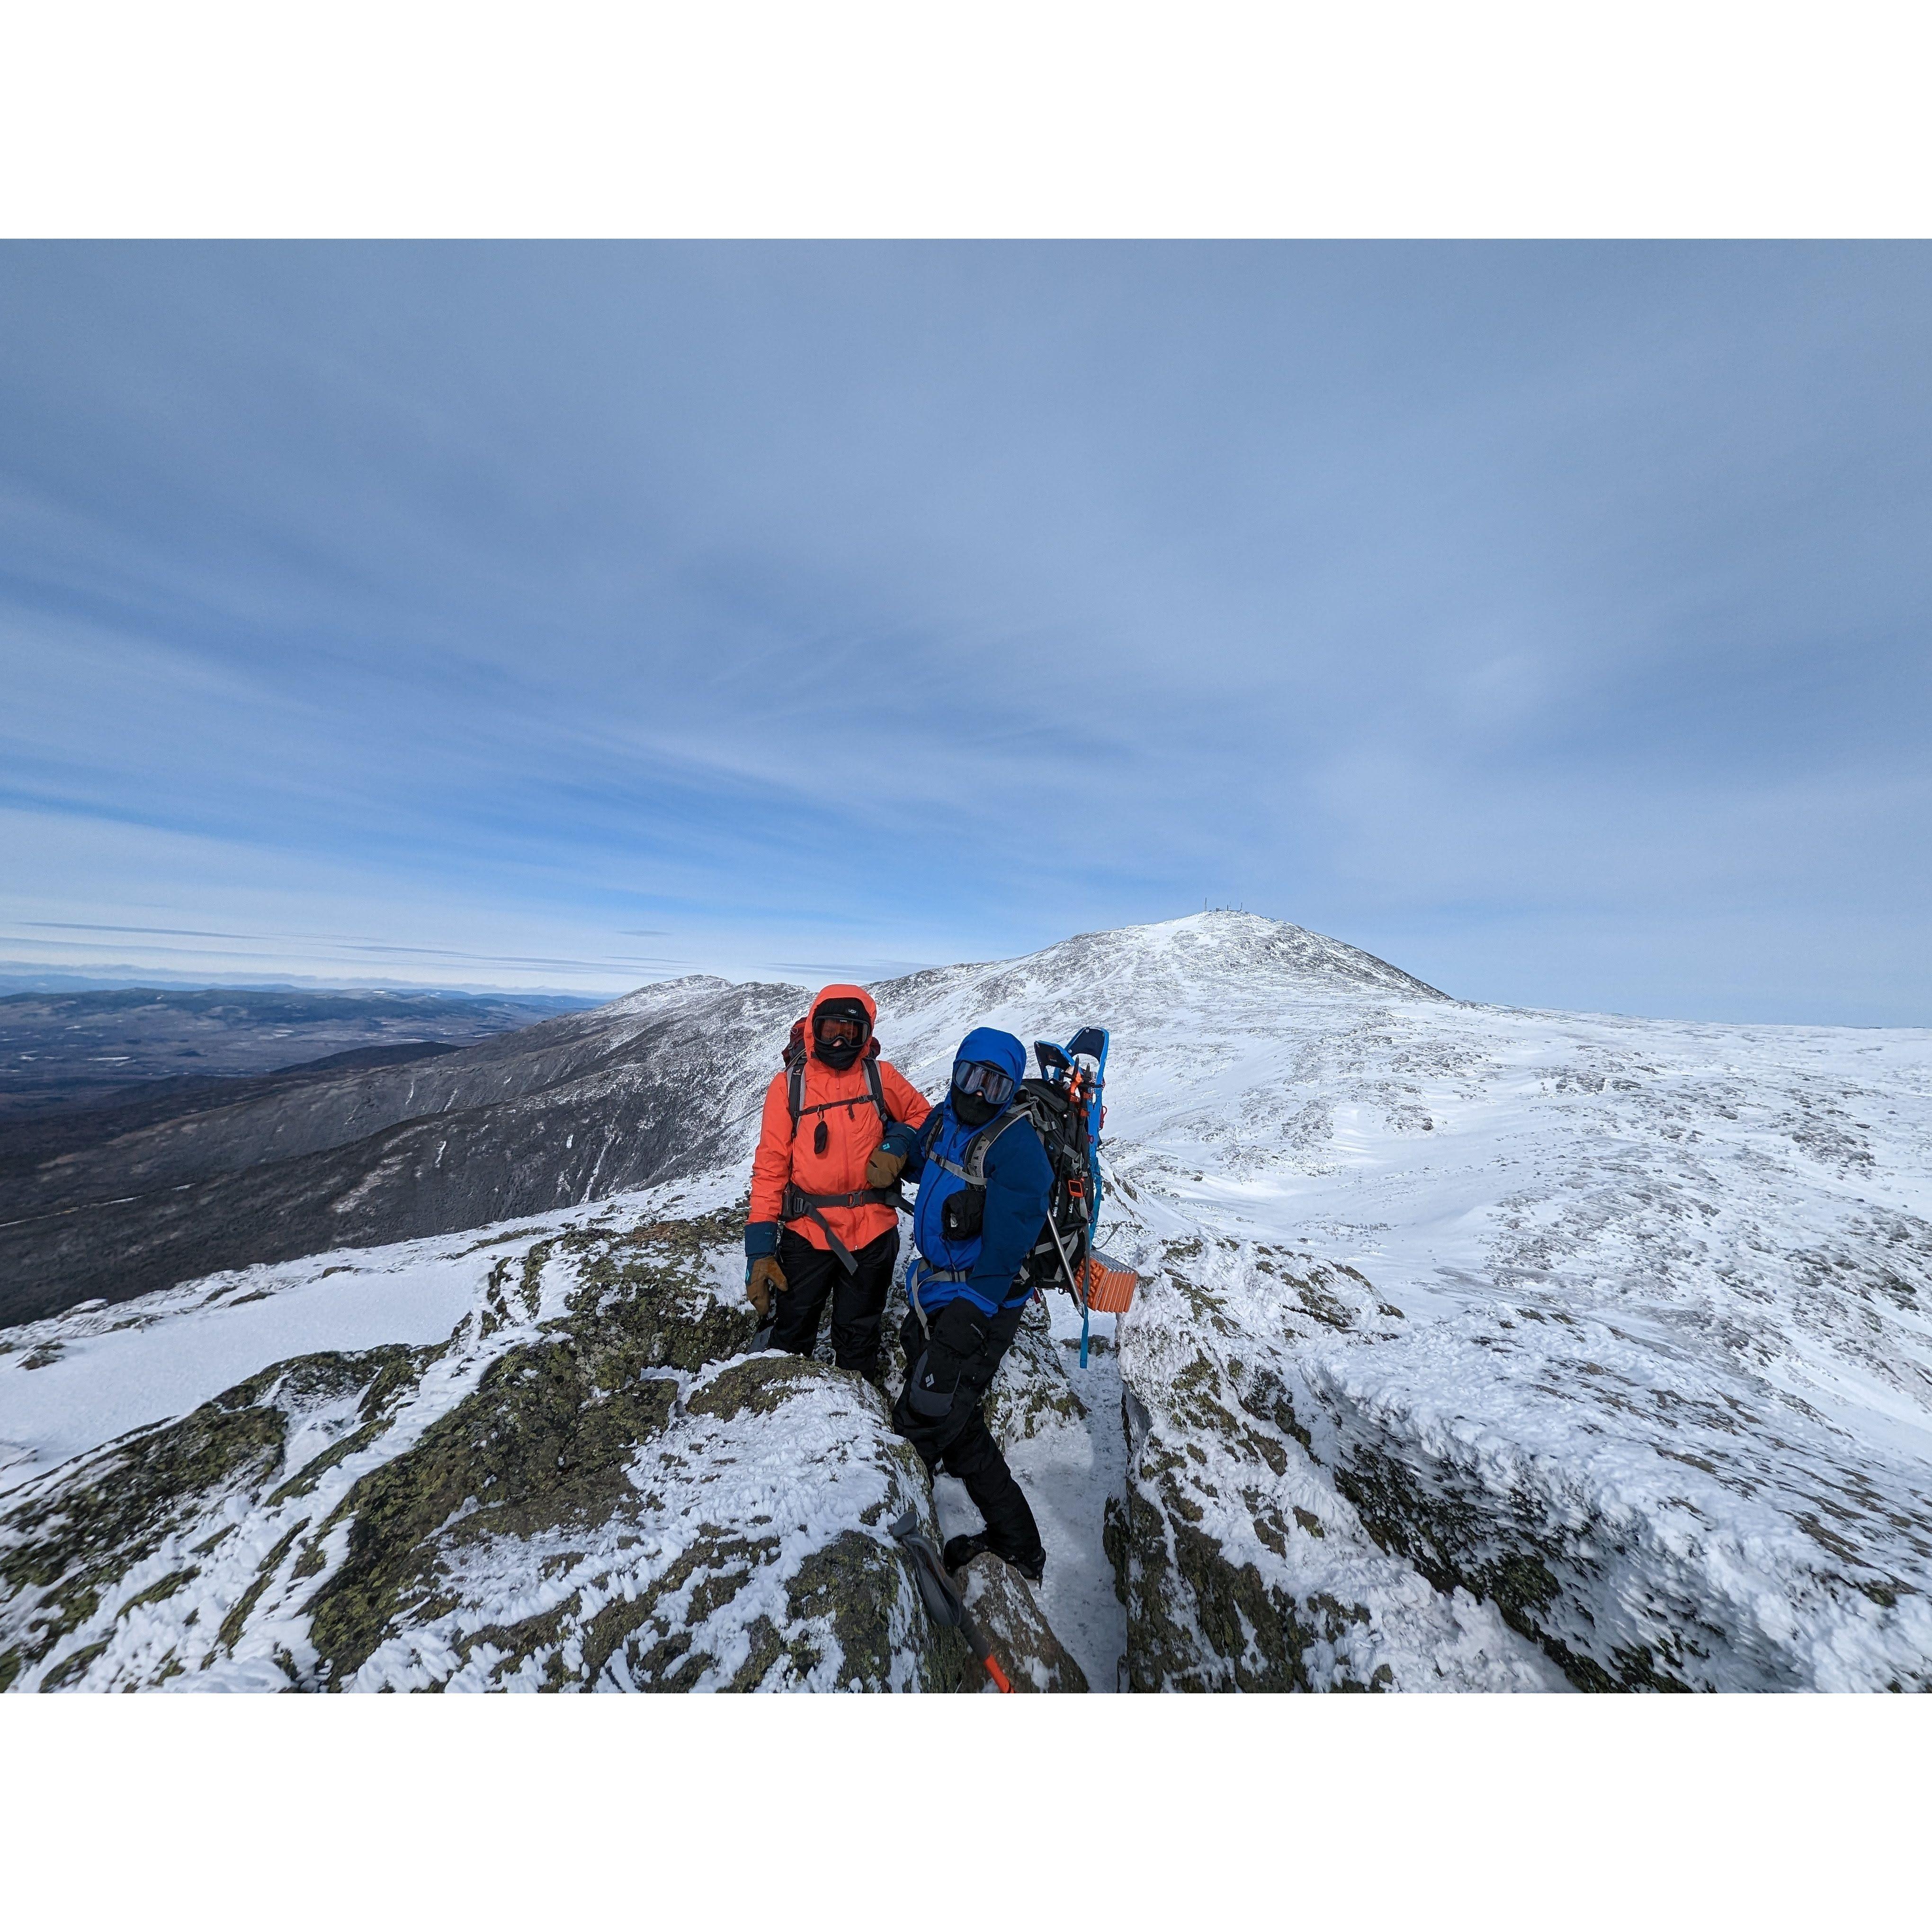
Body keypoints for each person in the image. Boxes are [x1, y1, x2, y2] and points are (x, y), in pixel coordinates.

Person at [892, 1026, 1053, 1583]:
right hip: (936, 1290)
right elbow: (921, 1163)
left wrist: (972, 1314)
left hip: (978, 1304)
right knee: (958, 1428)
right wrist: (894, 1147)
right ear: (955, 1070)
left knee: (925, 1419)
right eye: (970, 1077)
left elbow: (1008, 1245)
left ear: (1009, 1092)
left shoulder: (1018, 1149)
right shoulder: (943, 1120)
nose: (978, 1093)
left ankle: (895, 1540)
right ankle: (1018, 1544)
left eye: (994, 1084)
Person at [745, 984, 930, 1382]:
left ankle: (854, 1414)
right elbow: (771, 1166)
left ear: (867, 1034)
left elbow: (922, 1115)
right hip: (808, 1232)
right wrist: (759, 1250)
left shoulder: (881, 1077)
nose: (841, 1040)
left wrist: (899, 1142)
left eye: (851, 1031)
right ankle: (782, 1408)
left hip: (874, 1233)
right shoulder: (789, 1086)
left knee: (859, 1333)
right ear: (814, 1029)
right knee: (792, 1330)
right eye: (831, 1030)